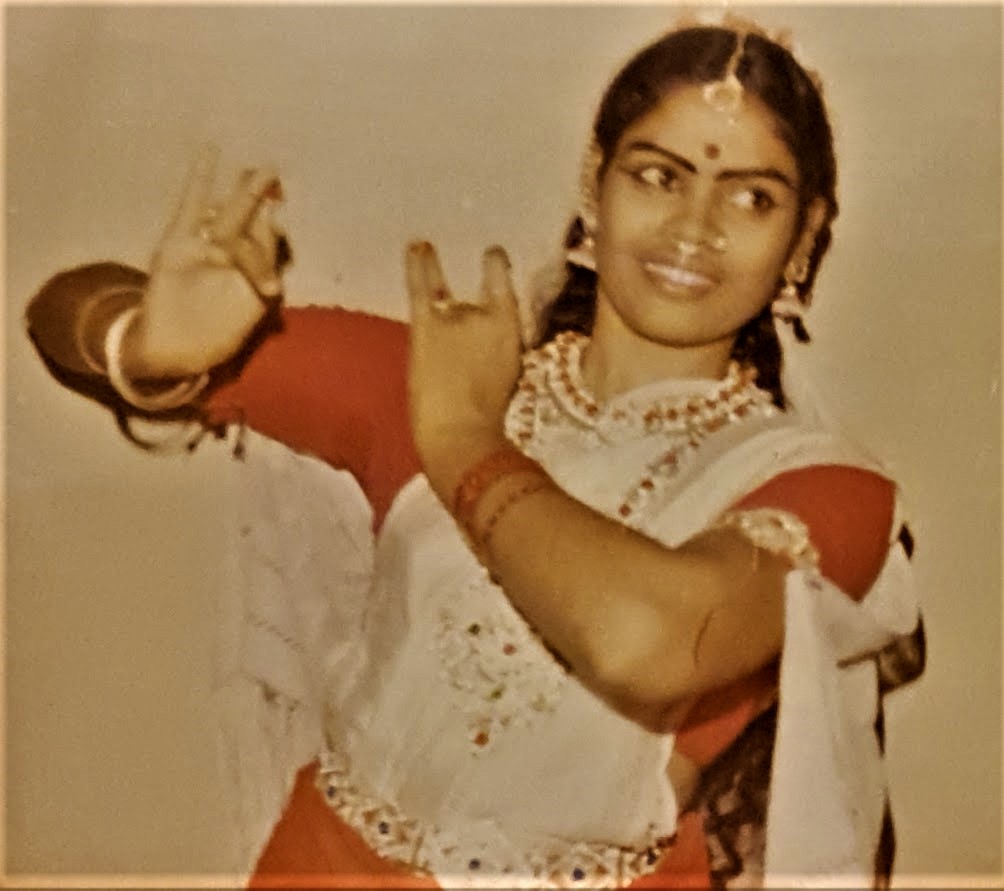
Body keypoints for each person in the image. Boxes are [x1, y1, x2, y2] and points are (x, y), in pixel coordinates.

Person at [25, 19, 925, 890]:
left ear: (803, 238)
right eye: (659, 175)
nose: (694, 227)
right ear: (593, 187)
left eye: (752, 197)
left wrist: (463, 440)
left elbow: (645, 639)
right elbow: (61, 309)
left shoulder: (831, 491)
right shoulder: (441, 380)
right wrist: (143, 344)